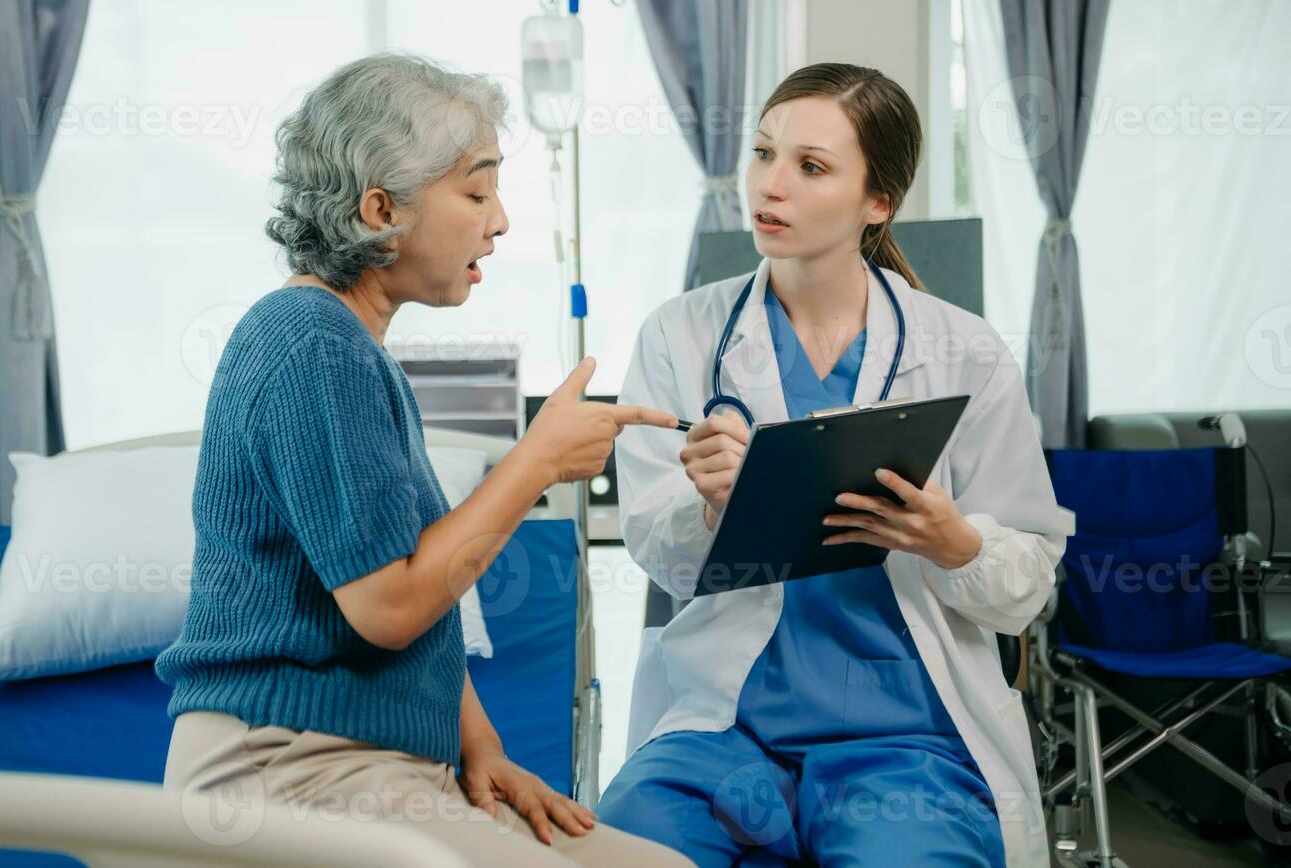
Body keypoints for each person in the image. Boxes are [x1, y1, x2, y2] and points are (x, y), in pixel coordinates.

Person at [155, 53, 689, 867]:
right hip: (283, 773)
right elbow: (388, 606)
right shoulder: (308, 347)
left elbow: (414, 585)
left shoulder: (353, 353)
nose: (500, 220)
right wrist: (536, 461)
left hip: (371, 768)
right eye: (476, 192)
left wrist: (480, 745)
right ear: (380, 210)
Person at [597, 63, 1065, 867]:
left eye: (810, 167)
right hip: (727, 729)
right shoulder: (680, 335)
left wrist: (953, 541)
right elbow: (656, 549)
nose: (769, 185)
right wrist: (710, 509)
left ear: (877, 202)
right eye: (763, 153)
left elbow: (1029, 581)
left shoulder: (962, 351)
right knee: (632, 848)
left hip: (905, 739)